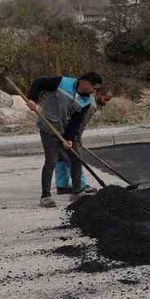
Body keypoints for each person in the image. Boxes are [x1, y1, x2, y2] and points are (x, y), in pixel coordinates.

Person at [25, 72, 102, 207]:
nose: (95, 92)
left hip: (65, 129)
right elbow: (39, 82)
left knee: (76, 159)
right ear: (85, 83)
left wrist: (69, 138)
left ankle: (78, 191)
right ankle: (45, 197)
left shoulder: (87, 101)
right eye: (94, 88)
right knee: (51, 161)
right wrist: (32, 99)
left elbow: (75, 121)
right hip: (48, 128)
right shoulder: (62, 83)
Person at [54, 89, 110, 195]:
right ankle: (81, 185)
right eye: (105, 99)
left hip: (57, 128)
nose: (106, 102)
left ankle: (61, 186)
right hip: (68, 132)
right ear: (99, 94)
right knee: (76, 159)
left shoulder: (84, 97)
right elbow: (79, 124)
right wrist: (76, 139)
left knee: (61, 158)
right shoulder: (91, 105)